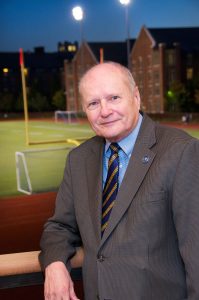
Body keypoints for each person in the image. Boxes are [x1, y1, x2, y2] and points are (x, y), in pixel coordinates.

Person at [39, 62, 199, 300]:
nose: (104, 111)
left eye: (114, 97)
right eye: (93, 103)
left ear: (136, 96)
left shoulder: (180, 151)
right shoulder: (79, 159)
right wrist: (54, 264)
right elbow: (60, 226)